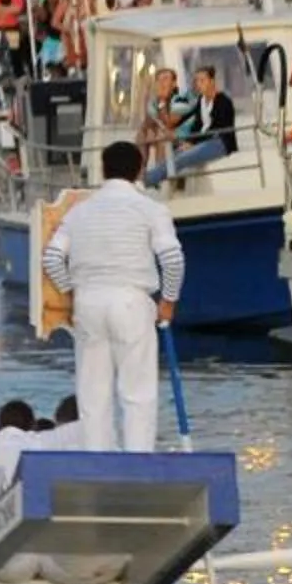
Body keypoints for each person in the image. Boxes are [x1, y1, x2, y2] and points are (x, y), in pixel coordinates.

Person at [43, 140, 185, 450]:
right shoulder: (150, 209)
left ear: (104, 170)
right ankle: (137, 462)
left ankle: (99, 462)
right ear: (139, 171)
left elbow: (52, 257)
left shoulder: (80, 212)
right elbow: (172, 258)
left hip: (88, 302)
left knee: (93, 395)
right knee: (137, 393)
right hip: (131, 300)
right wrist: (169, 301)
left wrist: (68, 293)